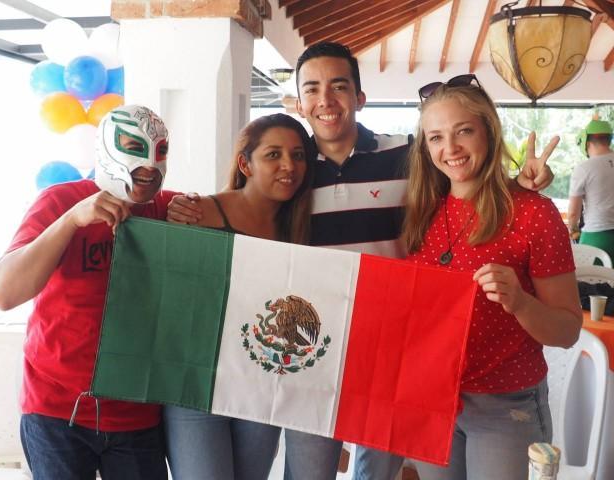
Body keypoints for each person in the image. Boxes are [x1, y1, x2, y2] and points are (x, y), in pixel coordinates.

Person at [169, 42, 557, 480]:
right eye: (312, 89)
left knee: (374, 474)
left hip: (392, 356)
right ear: (299, 102)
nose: (326, 100)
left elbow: (462, 174)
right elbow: (249, 211)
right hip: (312, 354)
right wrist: (193, 208)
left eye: (339, 86)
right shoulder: (292, 170)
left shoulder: (407, 154)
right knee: (310, 471)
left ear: (359, 97)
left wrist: (517, 182)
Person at [401, 74, 582, 480]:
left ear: (489, 131)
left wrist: (520, 302)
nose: (450, 148)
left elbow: (568, 330)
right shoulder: (421, 210)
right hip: (433, 398)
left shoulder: (534, 213)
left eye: (464, 131)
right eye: (435, 137)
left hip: (507, 405)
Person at [0, 105, 174, 480]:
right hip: (57, 410)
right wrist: (71, 220)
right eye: (136, 154)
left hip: (136, 412)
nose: (146, 170)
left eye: (156, 157)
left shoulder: (168, 209)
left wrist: (201, 216)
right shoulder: (60, 201)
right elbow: (4, 292)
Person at [164, 113, 314, 480]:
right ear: (245, 163)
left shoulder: (298, 227)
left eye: (297, 155)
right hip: (196, 385)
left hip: (260, 386)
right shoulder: (198, 213)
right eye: (273, 155)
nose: (289, 166)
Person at [568, 116, 614, 262]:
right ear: (609, 139)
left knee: (590, 281)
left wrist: (573, 229)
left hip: (597, 236)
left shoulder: (584, 169)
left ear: (586, 142)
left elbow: (573, 213)